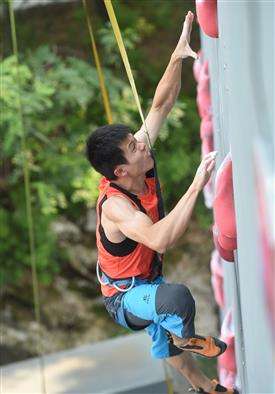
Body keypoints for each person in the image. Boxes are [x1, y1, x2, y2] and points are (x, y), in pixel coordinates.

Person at [86, 11, 238, 394]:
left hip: (144, 278)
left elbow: (160, 106)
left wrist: (176, 56)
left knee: (164, 328)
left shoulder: (136, 161)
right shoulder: (116, 207)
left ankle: (205, 388)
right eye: (134, 147)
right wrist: (195, 184)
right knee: (175, 300)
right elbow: (160, 240)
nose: (143, 143)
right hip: (124, 297)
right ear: (120, 171)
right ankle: (185, 336)